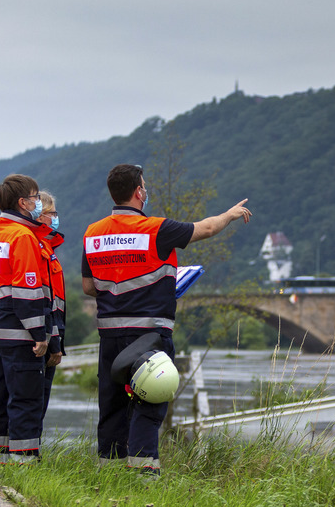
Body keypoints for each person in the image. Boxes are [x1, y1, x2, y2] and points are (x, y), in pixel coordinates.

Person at [81, 163, 251, 474]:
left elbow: (89, 286)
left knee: (112, 407)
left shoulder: (93, 233)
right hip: (149, 336)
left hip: (110, 335)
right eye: (144, 186)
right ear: (138, 192)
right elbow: (208, 228)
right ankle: (145, 473)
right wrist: (230, 214)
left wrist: (119, 290)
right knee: (150, 400)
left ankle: (109, 474)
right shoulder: (157, 228)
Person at [0, 174, 52, 463]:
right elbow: (28, 291)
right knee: (25, 400)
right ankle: (24, 463)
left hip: (0, 331)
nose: (39, 203)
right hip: (21, 334)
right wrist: (40, 335)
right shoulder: (22, 237)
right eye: (36, 198)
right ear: (23, 202)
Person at [35, 189, 65, 415]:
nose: (56, 218)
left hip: (49, 335)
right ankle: (29, 450)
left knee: (39, 403)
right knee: (36, 402)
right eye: (52, 213)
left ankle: (31, 447)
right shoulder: (39, 249)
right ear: (40, 216)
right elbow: (46, 300)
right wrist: (54, 344)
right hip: (43, 339)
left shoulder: (49, 248)